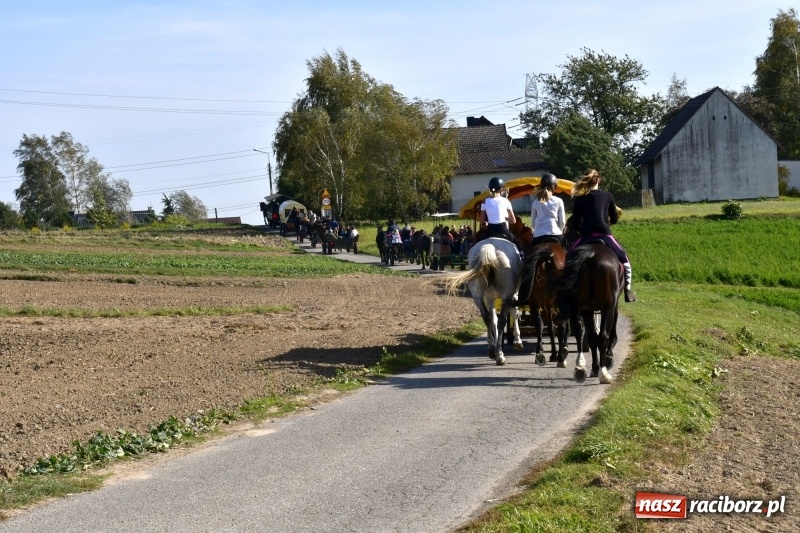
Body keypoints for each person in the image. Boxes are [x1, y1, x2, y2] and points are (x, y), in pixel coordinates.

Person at [568, 169, 637, 302]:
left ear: (586, 181)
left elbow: (576, 224)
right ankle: (627, 290)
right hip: (605, 235)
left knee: (568, 259)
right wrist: (608, 223)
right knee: (625, 260)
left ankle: (566, 293)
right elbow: (615, 218)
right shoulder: (608, 196)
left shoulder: (579, 200)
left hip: (585, 237)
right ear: (598, 180)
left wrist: (579, 230)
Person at [479, 176, 523, 255]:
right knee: (516, 243)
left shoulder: (484, 201)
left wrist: (486, 223)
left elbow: (482, 221)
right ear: (501, 189)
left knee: (479, 246)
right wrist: (506, 218)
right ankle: (522, 255)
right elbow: (513, 221)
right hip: (503, 229)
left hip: (490, 229)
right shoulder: (506, 201)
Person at [530, 173, 566, 248]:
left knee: (529, 255)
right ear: (554, 187)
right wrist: (560, 231)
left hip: (538, 235)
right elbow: (562, 221)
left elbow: (533, 223)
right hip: (555, 233)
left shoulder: (535, 202)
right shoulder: (559, 200)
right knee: (567, 254)